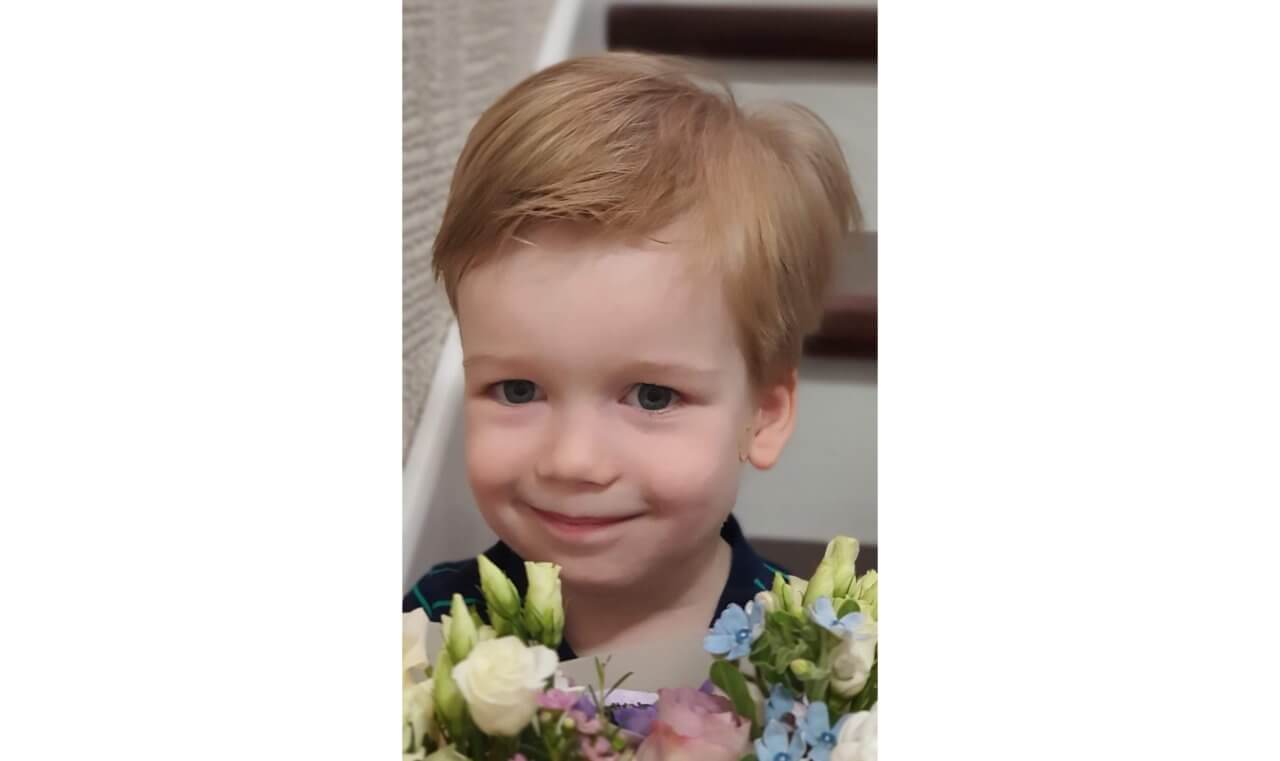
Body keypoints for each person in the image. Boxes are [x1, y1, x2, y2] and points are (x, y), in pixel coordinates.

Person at [403, 51, 861, 661]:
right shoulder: (426, 634)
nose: (573, 461)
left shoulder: (815, 659)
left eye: (652, 396)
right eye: (518, 390)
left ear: (765, 414)